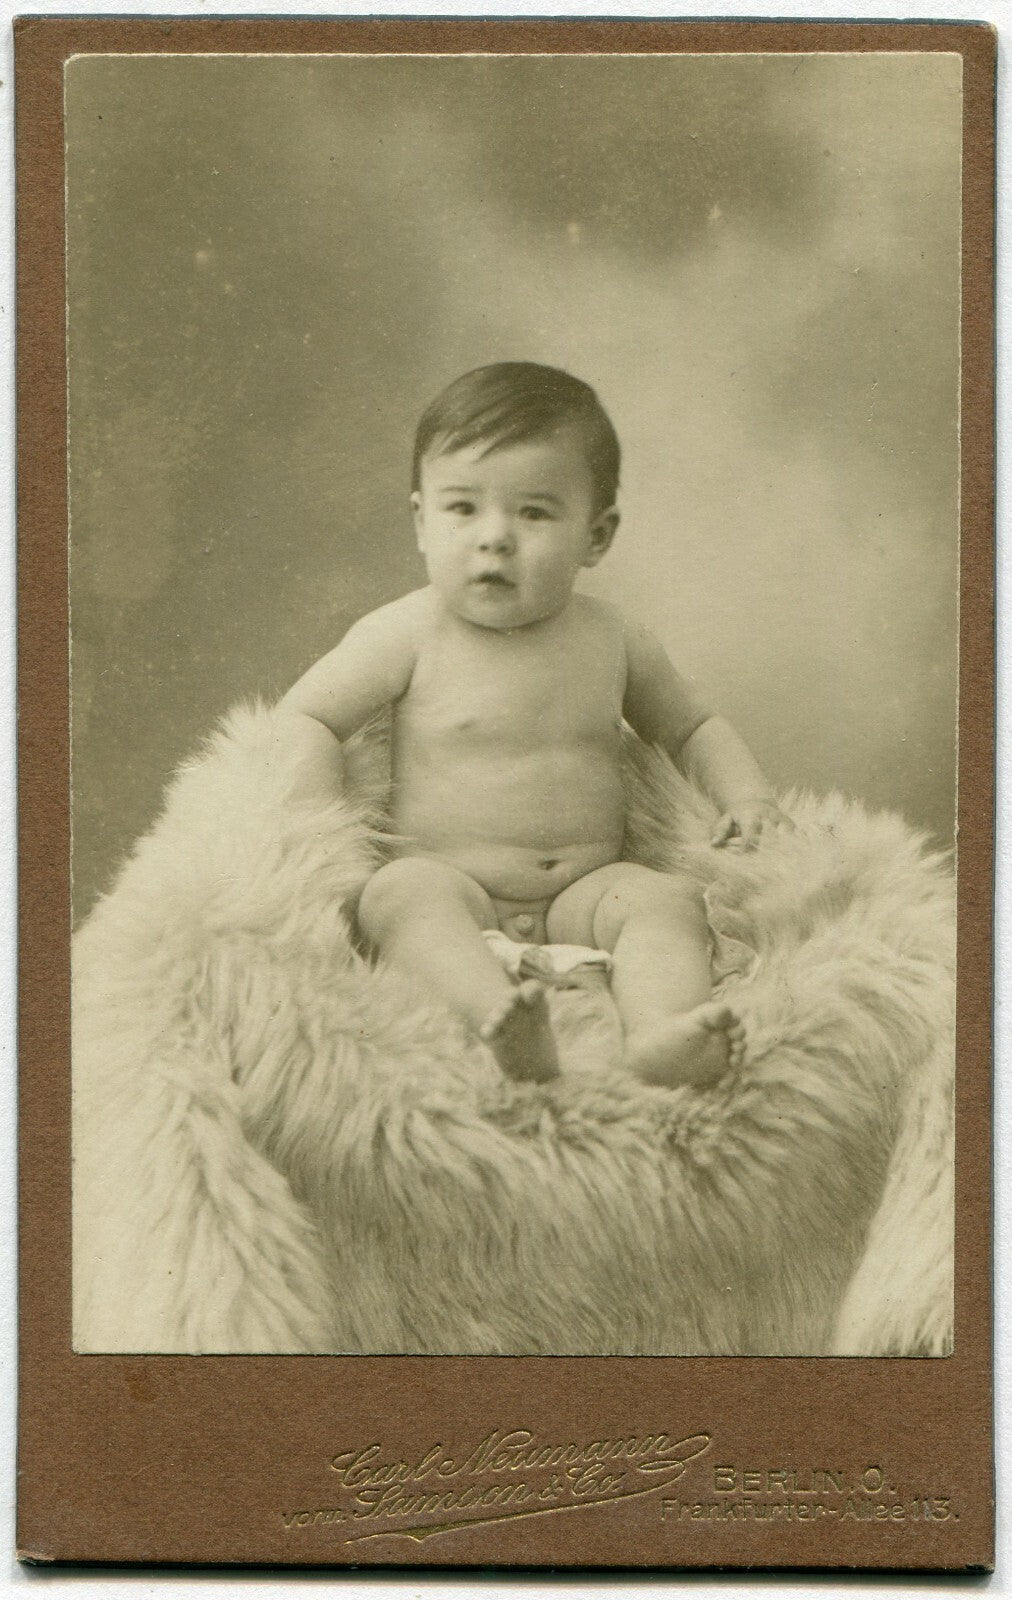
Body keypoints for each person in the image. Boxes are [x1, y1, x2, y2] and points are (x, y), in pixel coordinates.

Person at [279, 362, 791, 1087]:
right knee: (399, 896)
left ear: (597, 535)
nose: (495, 539)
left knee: (662, 901)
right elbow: (309, 715)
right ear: (421, 521)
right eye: (463, 509)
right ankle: (502, 1022)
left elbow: (693, 724)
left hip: (585, 894)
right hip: (456, 886)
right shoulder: (403, 633)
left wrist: (749, 799)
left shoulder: (615, 638)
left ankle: (659, 1032)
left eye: (535, 513)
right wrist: (313, 834)